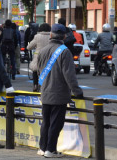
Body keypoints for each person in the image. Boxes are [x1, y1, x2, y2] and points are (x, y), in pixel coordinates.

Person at [36, 23, 83, 158]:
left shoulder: (43, 50)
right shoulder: (64, 52)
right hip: (59, 93)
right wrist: (77, 91)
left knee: (46, 122)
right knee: (56, 124)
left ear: (50, 35)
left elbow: (39, 71)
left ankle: (43, 148)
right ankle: (51, 150)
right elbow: (69, 75)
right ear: (63, 36)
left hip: (45, 91)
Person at [27, 23, 51, 92]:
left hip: (38, 57)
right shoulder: (51, 36)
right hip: (49, 57)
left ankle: (35, 84)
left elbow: (29, 47)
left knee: (35, 70)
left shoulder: (37, 36)